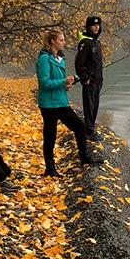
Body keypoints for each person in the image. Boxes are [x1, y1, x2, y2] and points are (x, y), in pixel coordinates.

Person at [36, 29, 103, 176]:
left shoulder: (60, 58)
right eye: (61, 40)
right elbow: (44, 83)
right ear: (52, 41)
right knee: (50, 135)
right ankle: (50, 169)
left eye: (63, 40)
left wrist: (66, 84)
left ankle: (84, 158)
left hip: (61, 101)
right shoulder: (43, 59)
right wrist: (63, 81)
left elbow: (57, 82)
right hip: (48, 104)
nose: (64, 42)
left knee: (80, 127)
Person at [75, 15, 104, 142]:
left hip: (98, 80)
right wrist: (85, 77)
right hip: (89, 81)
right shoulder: (85, 42)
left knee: (95, 106)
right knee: (89, 106)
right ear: (88, 26)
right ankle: (89, 131)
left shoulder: (96, 42)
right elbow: (79, 64)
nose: (96, 27)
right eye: (94, 25)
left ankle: (91, 128)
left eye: (98, 25)